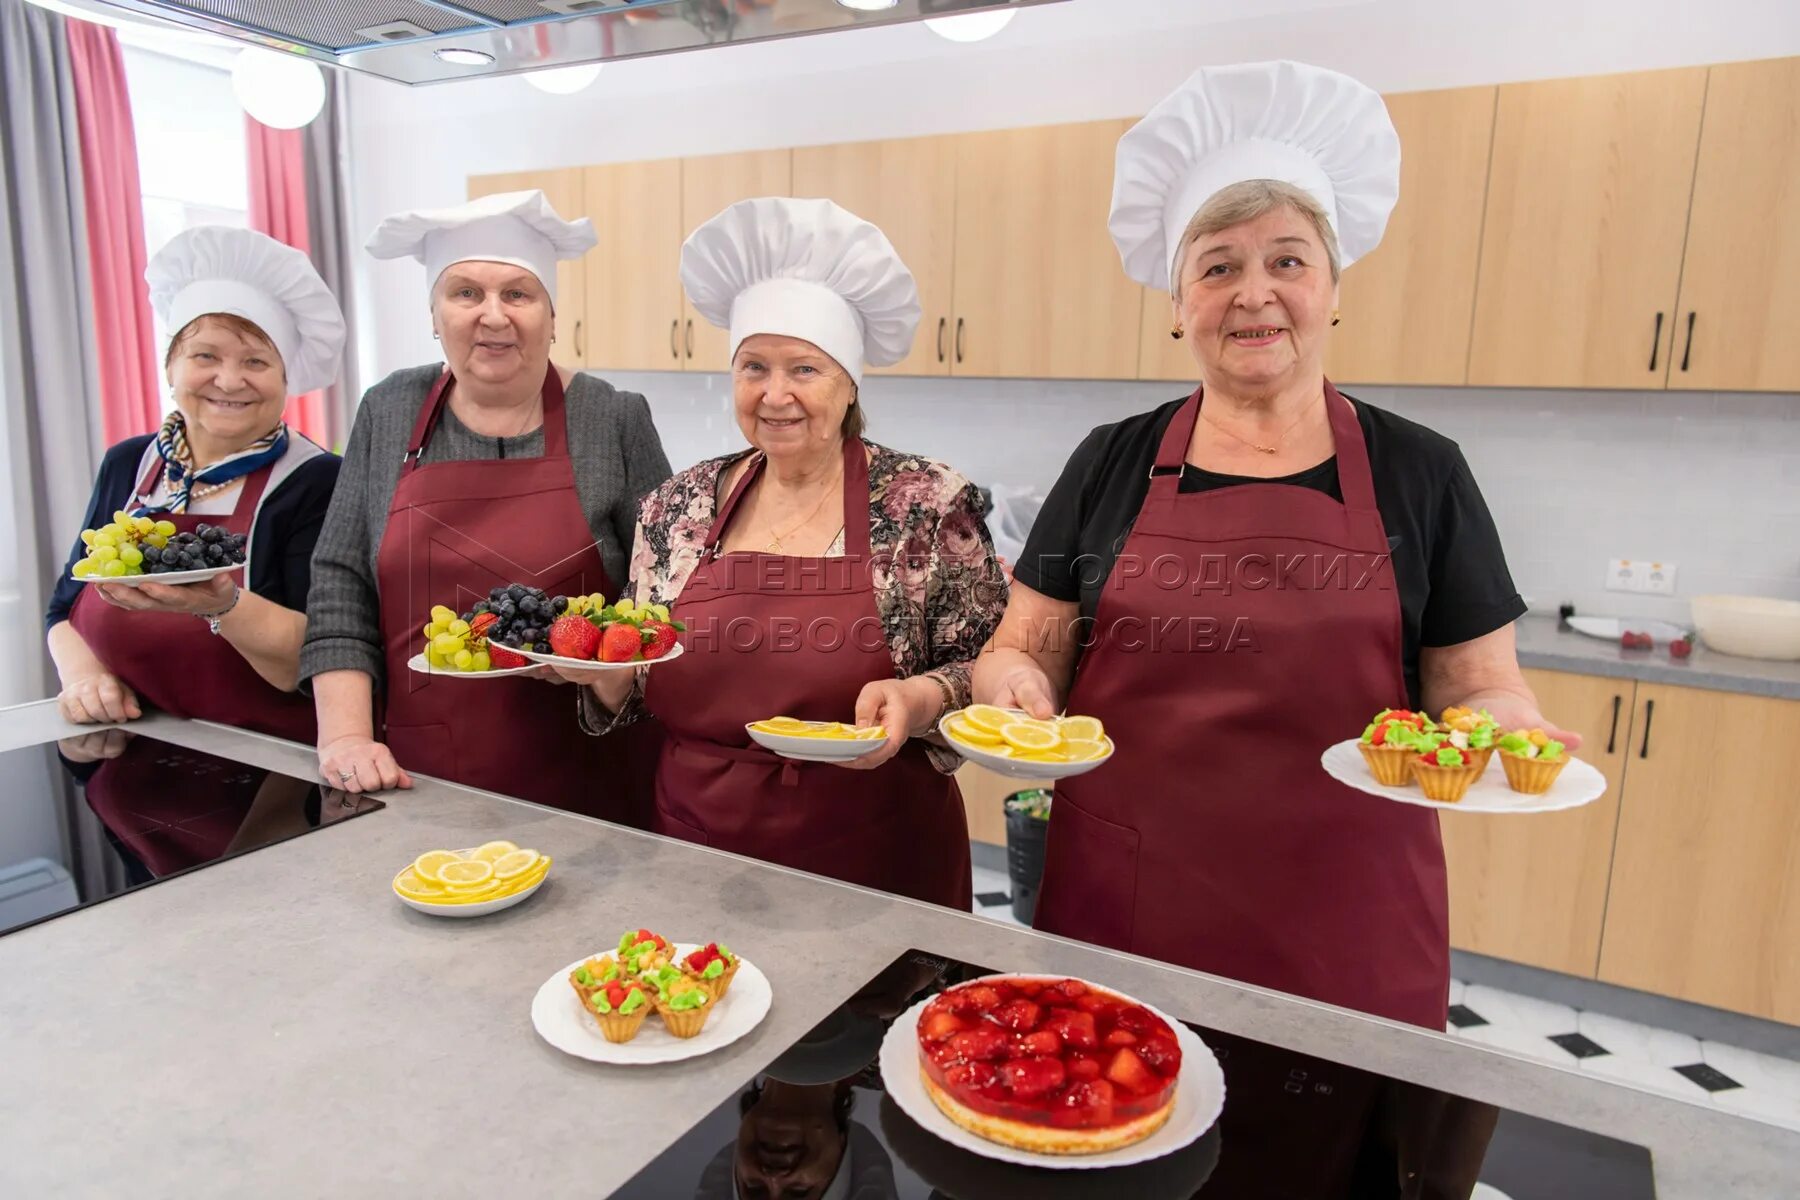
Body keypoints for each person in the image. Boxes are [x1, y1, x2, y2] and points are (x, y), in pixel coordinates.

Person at [973, 61, 1578, 1029]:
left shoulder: (1422, 473)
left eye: (1288, 260)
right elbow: (1020, 649)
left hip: (1347, 920)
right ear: (1178, 304)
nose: (1254, 294)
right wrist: (1015, 691)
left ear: (1333, 289)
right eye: (1217, 266)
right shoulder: (1111, 462)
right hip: (1127, 910)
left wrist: (1508, 728)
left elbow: (1478, 685)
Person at [576, 197, 1005, 908]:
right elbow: (641, 679)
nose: (775, 395)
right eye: (753, 368)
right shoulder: (678, 507)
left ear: (848, 383)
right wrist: (595, 674)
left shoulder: (926, 502)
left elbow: (994, 663)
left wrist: (920, 696)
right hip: (698, 845)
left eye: (804, 369)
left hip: (878, 853)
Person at [301, 190, 670, 817]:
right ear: (435, 314)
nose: (492, 315)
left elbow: (664, 595)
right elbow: (341, 582)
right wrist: (345, 737)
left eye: (518, 294)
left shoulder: (611, 416)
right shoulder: (389, 409)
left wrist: (609, 679)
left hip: (589, 768)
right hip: (415, 773)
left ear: (552, 319)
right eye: (466, 293)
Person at [47, 226, 345, 742]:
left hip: (266, 762)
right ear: (170, 366)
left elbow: (318, 652)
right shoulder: (129, 463)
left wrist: (218, 603)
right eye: (205, 356)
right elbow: (64, 606)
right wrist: (84, 676)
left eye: (255, 361)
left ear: (284, 379)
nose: (229, 381)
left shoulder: (315, 480)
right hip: (131, 744)